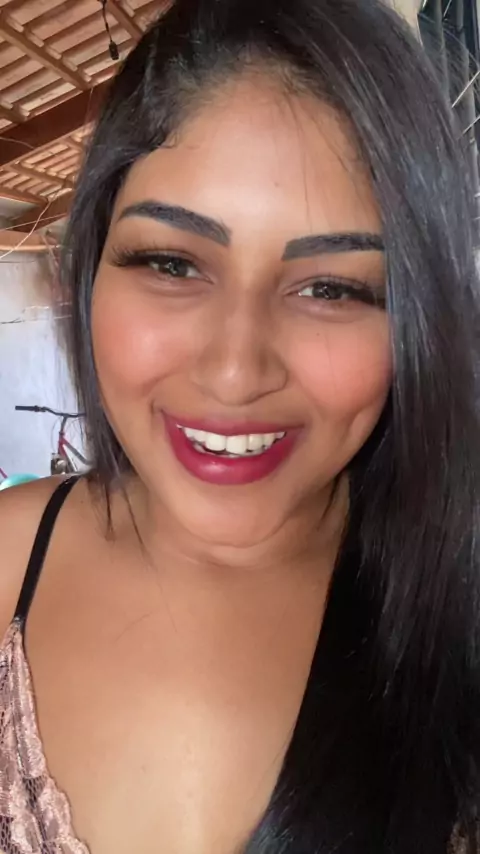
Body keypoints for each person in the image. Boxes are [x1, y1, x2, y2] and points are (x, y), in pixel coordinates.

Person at [0, 0, 478, 851]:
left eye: (331, 287)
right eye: (172, 263)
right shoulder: (6, 560)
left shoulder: (455, 615)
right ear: (92, 267)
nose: (234, 370)